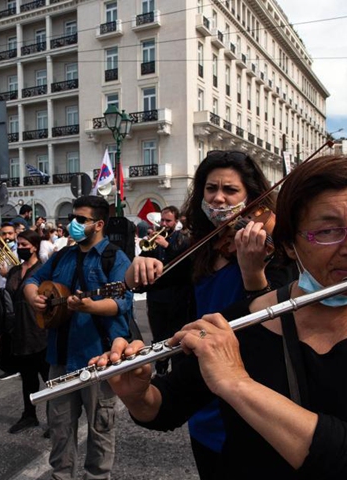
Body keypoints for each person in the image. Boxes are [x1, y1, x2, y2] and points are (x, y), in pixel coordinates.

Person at [97, 155, 347, 479]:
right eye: (328, 231)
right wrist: (138, 395)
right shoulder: (241, 322)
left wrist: (238, 383)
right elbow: (166, 408)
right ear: (290, 244)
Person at [123, 150, 292, 479]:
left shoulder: (276, 249)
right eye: (211, 188)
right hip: (200, 384)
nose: (218, 197)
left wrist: (253, 271)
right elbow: (140, 283)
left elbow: (277, 319)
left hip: (252, 385)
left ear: (252, 197)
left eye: (231, 190)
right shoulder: (200, 246)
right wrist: (137, 267)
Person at [23, 195, 133, 480]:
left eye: (80, 219)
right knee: (60, 429)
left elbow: (121, 302)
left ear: (98, 224)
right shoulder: (63, 255)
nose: (72, 223)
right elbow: (32, 280)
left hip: (98, 357)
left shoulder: (115, 258)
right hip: (59, 358)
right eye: (72, 217)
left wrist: (89, 306)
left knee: (100, 428)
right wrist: (34, 297)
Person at [4, 230, 48, 434]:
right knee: (28, 379)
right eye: (19, 245)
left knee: (49, 378)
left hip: (40, 330)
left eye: (24, 245)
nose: (20, 248)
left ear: (35, 247)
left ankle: (55, 419)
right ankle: (29, 415)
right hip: (20, 331)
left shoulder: (44, 269)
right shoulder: (14, 271)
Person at [139, 206, 190, 376]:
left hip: (176, 297)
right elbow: (144, 261)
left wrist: (167, 246)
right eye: (162, 220)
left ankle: (176, 372)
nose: (164, 224)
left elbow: (183, 264)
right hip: (156, 296)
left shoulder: (181, 239)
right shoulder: (154, 238)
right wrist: (148, 246)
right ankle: (160, 369)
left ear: (176, 222)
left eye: (168, 221)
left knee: (176, 336)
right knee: (158, 336)